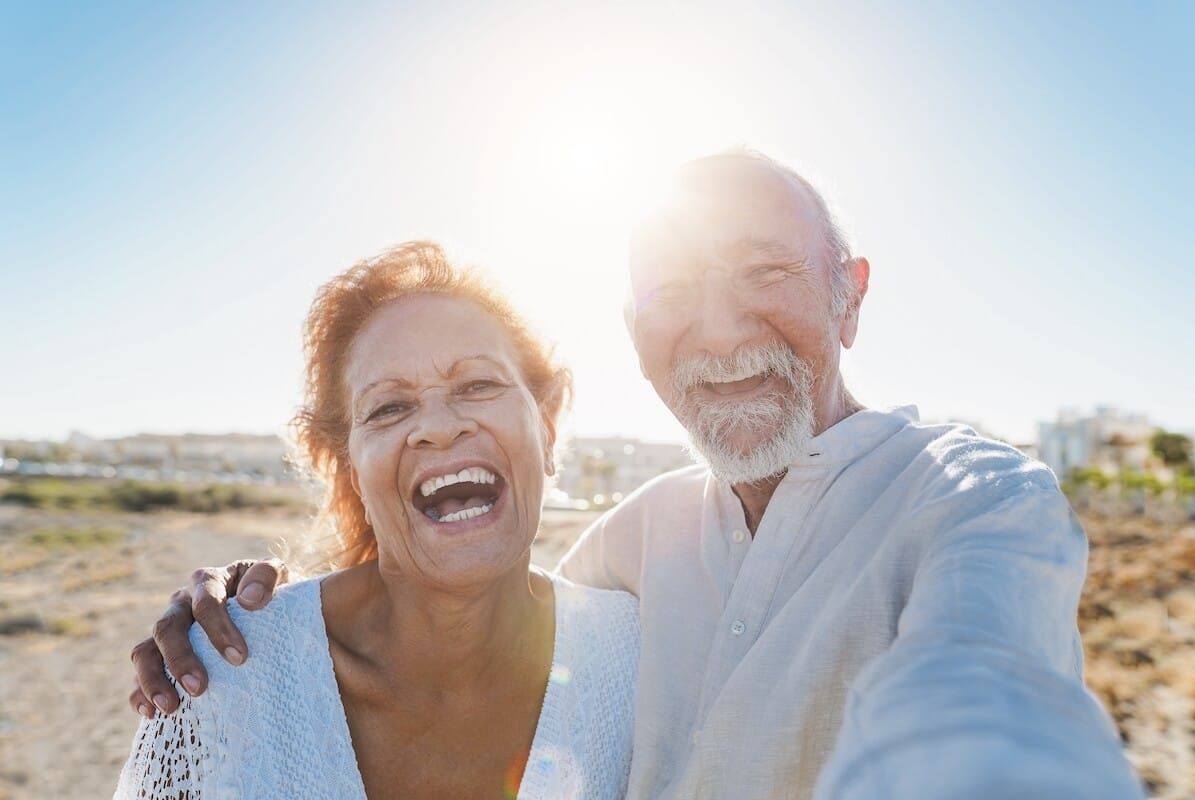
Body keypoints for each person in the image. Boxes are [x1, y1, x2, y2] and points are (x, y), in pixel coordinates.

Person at [128, 151, 1143, 799]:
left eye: (766, 271)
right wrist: (263, 610)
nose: (718, 324)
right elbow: (459, 598)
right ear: (637, 338)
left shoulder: (974, 503)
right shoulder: (631, 548)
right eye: (676, 290)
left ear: (851, 295)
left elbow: (981, 691)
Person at [115, 241, 639, 799]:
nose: (439, 426)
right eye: (389, 407)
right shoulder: (223, 681)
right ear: (353, 474)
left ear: (548, 432)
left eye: (479, 385)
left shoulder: (641, 654)